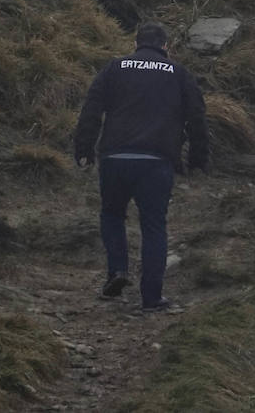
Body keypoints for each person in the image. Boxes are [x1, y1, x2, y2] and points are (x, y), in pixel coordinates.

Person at [74, 21, 209, 311]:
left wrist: (84, 148)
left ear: (135, 44)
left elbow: (92, 109)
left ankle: (117, 271)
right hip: (156, 160)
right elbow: (197, 116)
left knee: (111, 214)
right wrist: (198, 158)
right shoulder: (178, 73)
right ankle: (152, 297)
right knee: (153, 226)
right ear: (166, 46)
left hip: (114, 158)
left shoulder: (114, 67)